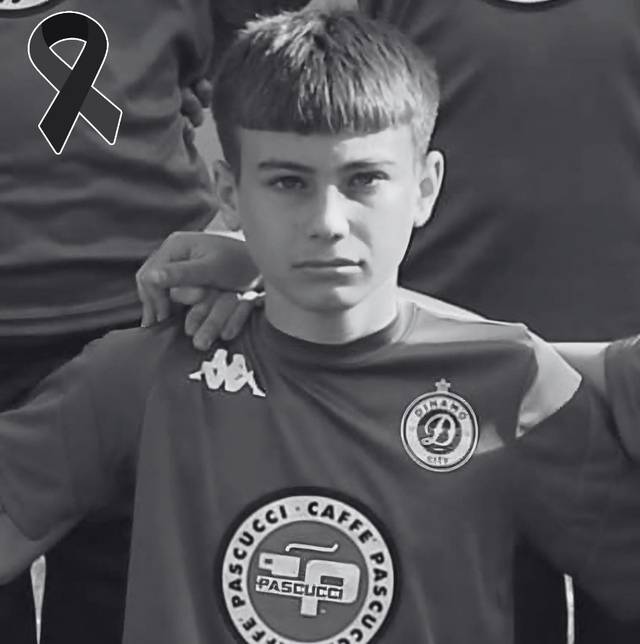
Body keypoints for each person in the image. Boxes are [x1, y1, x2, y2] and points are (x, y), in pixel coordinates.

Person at [3, 9, 640, 644]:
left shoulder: (520, 391)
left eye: (364, 179)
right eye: (288, 182)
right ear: (229, 193)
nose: (328, 222)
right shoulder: (144, 376)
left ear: (425, 188)